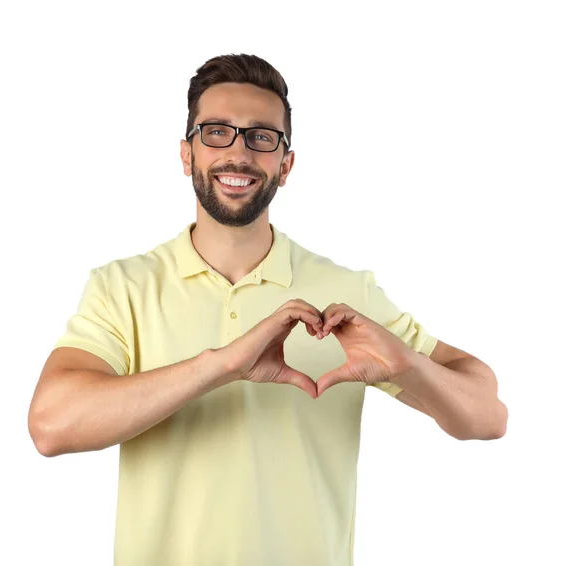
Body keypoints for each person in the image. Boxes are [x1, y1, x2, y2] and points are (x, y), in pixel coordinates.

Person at [28, 53, 507, 566]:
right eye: (216, 133)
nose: (238, 153)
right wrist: (222, 365)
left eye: (261, 137)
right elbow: (52, 426)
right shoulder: (122, 287)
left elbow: (488, 415)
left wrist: (408, 366)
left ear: (285, 165)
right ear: (187, 154)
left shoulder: (346, 293)